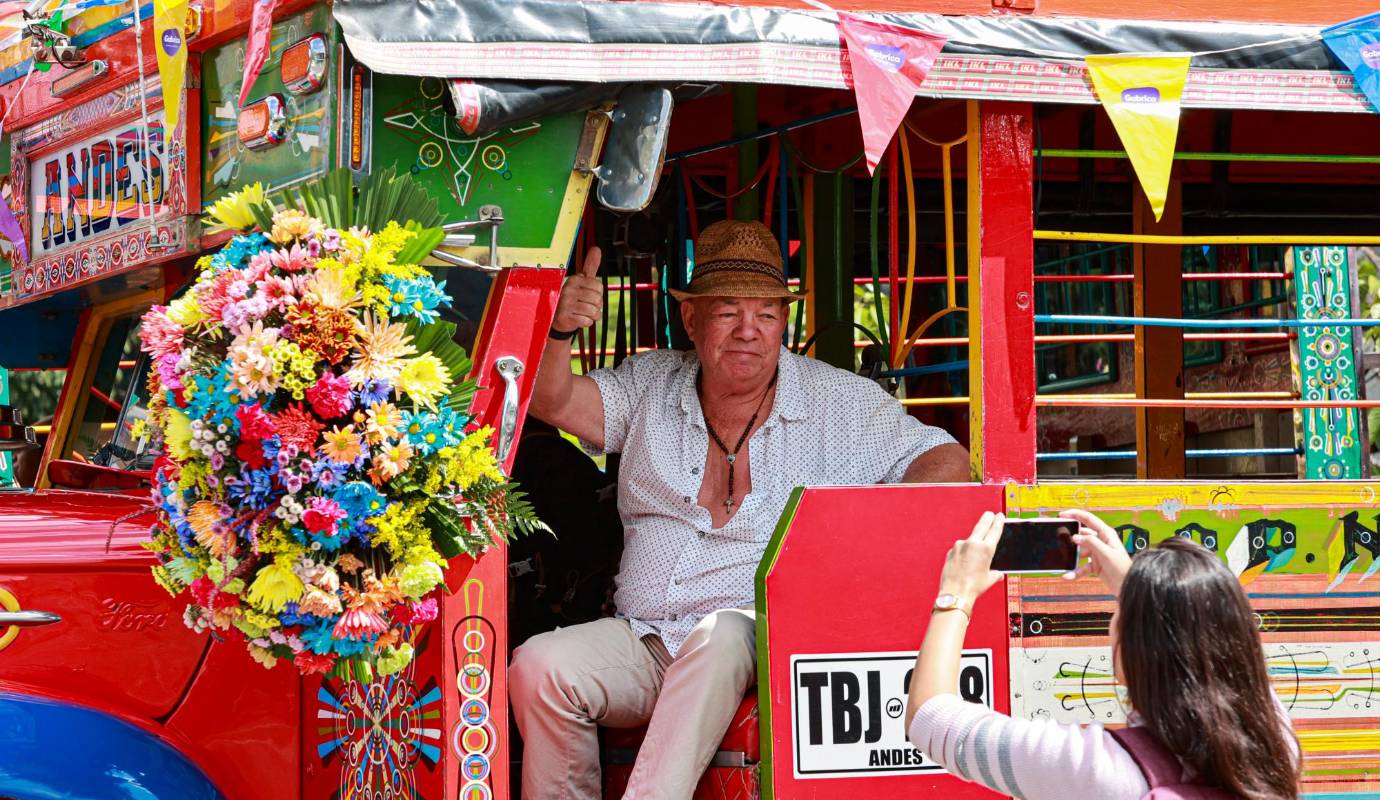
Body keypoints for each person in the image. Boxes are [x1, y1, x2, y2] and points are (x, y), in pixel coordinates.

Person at [513, 219, 970, 799]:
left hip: (759, 639)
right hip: (648, 638)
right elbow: (552, 400)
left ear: (785, 321)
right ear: (691, 319)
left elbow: (944, 457)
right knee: (540, 666)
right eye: (728, 312)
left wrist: (872, 546)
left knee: (722, 632)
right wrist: (558, 332)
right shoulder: (652, 385)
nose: (748, 331)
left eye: (767, 314)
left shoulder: (836, 401)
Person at [906, 510, 1300, 800]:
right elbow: (1223, 656)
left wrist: (955, 594)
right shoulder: (1275, 743)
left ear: (1132, 651)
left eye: (1119, 617)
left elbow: (929, 719)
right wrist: (1142, 593)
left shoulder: (1096, 770)